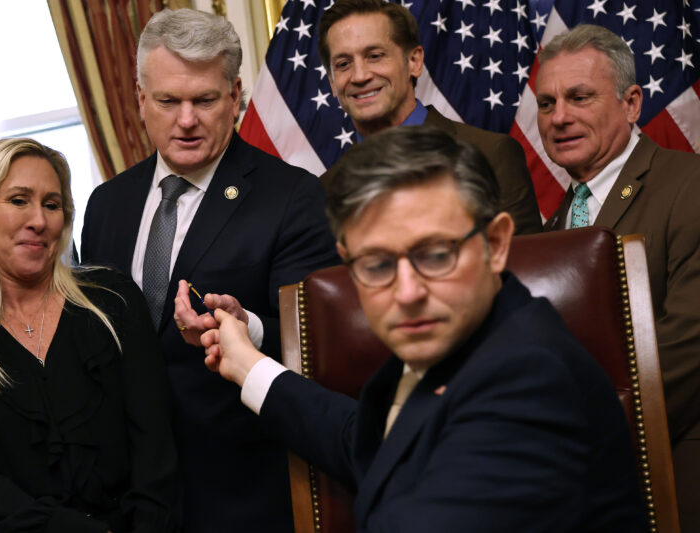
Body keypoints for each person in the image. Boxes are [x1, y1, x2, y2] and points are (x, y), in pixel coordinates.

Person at [200, 125, 645, 532]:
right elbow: (369, 440)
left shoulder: (529, 380)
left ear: (495, 244)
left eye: (435, 255)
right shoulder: (465, 337)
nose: (407, 291)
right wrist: (248, 365)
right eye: (376, 264)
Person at [79, 8, 340, 532]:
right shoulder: (107, 203)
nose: (186, 119)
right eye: (168, 101)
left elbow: (318, 341)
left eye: (204, 100)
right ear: (139, 100)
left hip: (245, 487)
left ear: (235, 98)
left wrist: (247, 327)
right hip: (131, 494)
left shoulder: (292, 196)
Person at [0, 137, 180, 532]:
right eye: (19, 200)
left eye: (52, 204)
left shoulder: (113, 300)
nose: (39, 220)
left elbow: (155, 446)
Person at [535, 23, 700, 529]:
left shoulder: (688, 184)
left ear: (631, 103)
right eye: (546, 103)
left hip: (676, 473)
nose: (559, 117)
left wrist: (571, 433)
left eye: (580, 97)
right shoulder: (552, 227)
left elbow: (689, 343)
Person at [317, 0, 541, 235]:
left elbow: (525, 269)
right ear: (333, 82)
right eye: (343, 64)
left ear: (414, 61)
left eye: (374, 56)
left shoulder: (492, 155)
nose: (360, 75)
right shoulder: (324, 191)